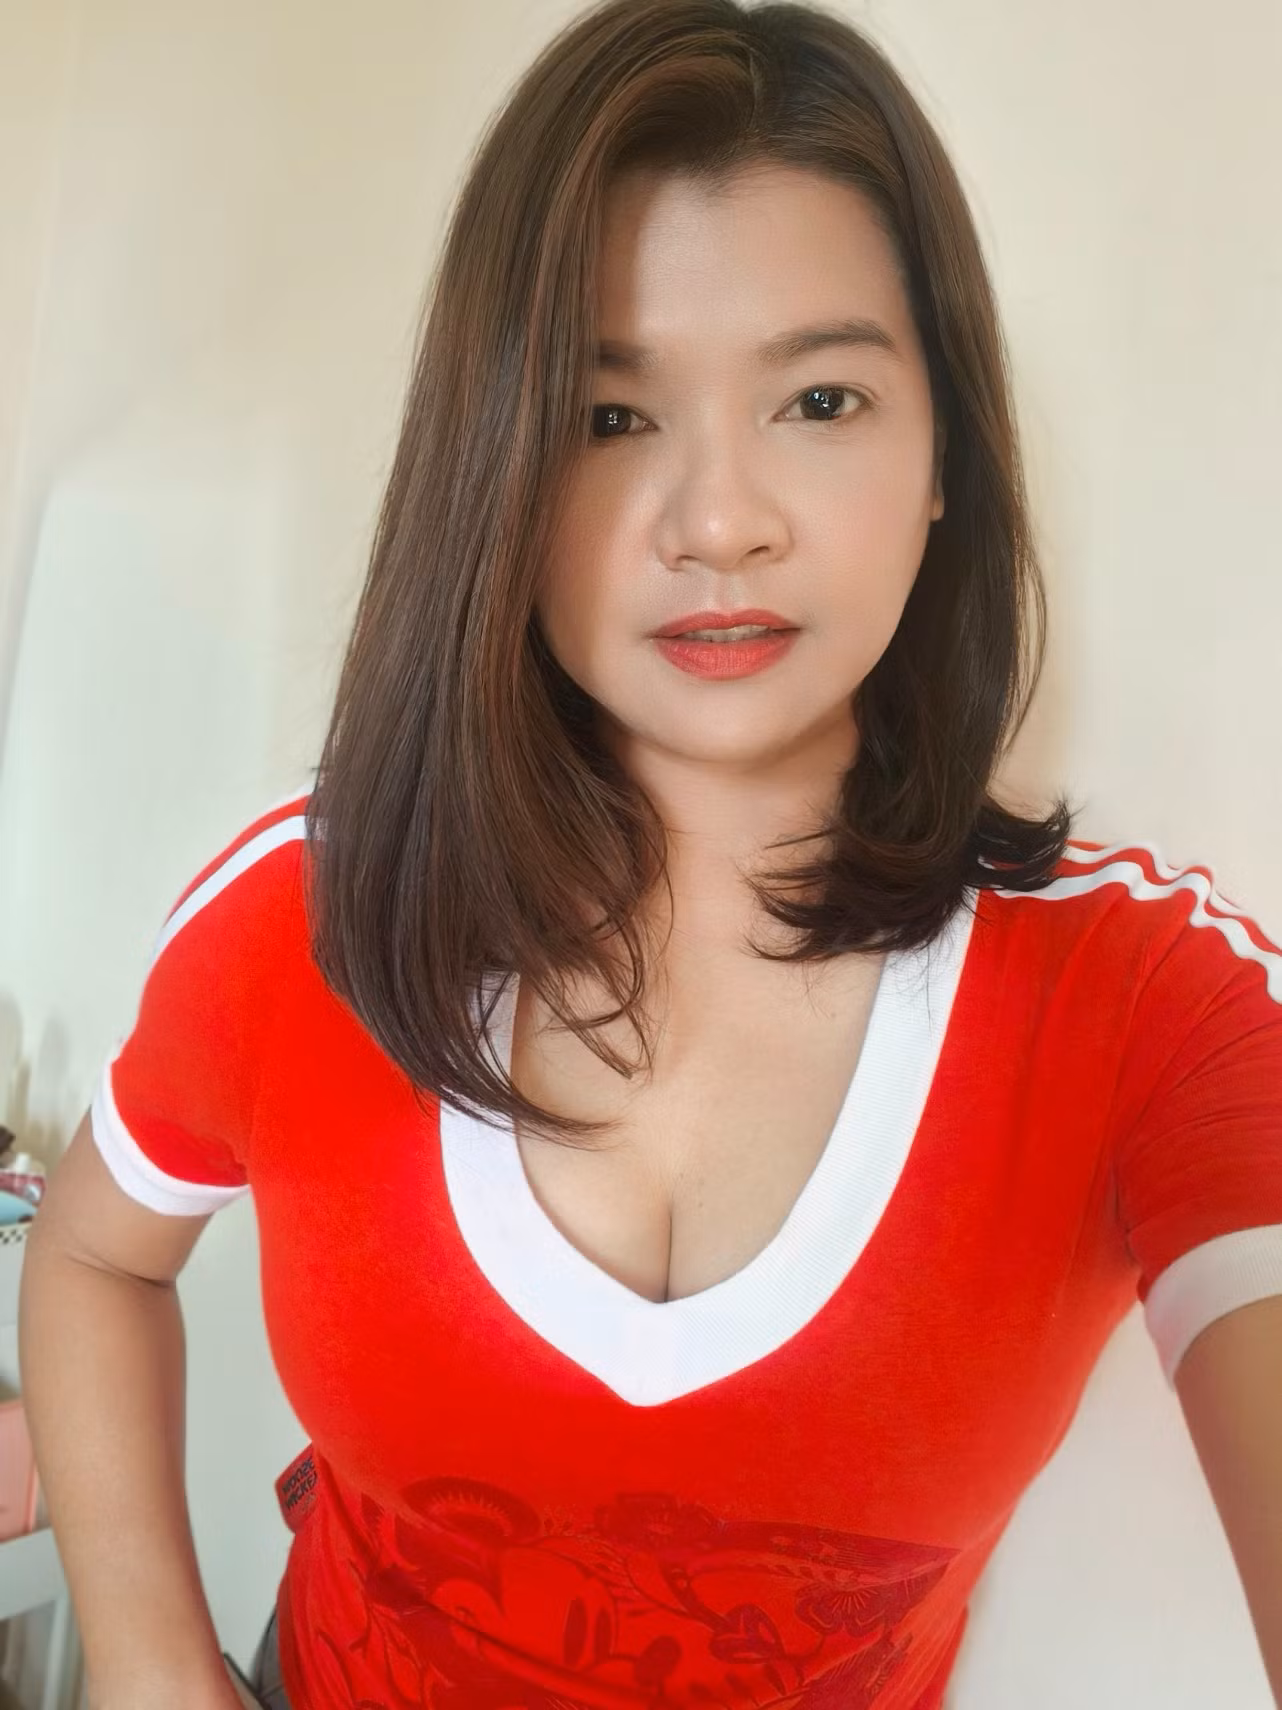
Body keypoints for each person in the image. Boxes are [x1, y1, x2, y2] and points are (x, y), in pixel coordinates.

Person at [18, 1, 1282, 1707]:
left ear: (943, 462)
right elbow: (95, 1252)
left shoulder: (1144, 1005)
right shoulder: (313, 908)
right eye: (608, 417)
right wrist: (148, 1665)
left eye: (819, 398)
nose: (718, 521)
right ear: (495, 470)